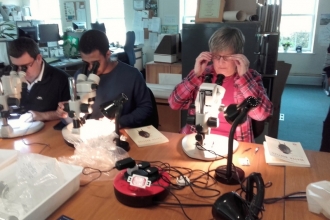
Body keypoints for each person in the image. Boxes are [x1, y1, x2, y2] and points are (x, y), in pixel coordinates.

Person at [168, 26, 272, 142]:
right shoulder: (202, 74)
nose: (221, 62)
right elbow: (174, 104)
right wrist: (195, 75)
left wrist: (244, 78)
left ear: (239, 56)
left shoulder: (251, 77)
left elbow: (261, 114)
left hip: (234, 142)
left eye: (227, 57)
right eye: (217, 57)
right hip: (196, 137)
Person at [56, 30, 153, 128]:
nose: (90, 68)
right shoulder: (80, 75)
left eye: (95, 64)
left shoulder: (132, 75)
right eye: (86, 63)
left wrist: (119, 122)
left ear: (108, 54)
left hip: (119, 132)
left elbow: (146, 108)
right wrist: (67, 110)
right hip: (89, 131)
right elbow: (75, 114)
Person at [7, 37, 71, 121]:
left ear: (39, 59)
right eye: (15, 66)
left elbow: (68, 114)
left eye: (25, 67)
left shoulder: (61, 80)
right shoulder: (7, 76)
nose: (19, 71)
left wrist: (41, 115)